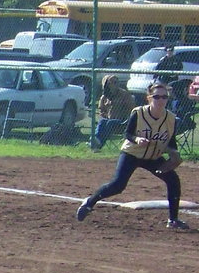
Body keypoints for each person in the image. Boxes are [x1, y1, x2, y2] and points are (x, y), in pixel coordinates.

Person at [76, 81, 188, 229]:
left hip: (153, 157)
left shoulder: (171, 118)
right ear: (149, 98)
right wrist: (137, 139)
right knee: (118, 185)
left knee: (173, 180)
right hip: (132, 153)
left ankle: (173, 220)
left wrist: (174, 154)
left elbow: (171, 141)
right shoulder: (139, 113)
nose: (161, 100)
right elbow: (127, 134)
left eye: (164, 97)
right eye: (156, 97)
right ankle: (89, 202)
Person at [90, 74, 136, 151]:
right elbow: (101, 110)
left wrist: (127, 118)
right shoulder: (104, 96)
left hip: (122, 123)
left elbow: (132, 109)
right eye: (113, 82)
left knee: (110, 123)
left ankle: (98, 143)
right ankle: (96, 140)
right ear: (107, 85)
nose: (116, 84)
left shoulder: (124, 94)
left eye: (117, 82)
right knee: (102, 121)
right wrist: (104, 115)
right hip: (109, 121)